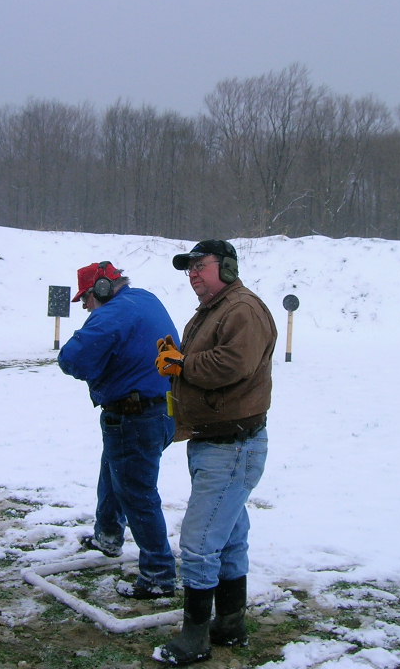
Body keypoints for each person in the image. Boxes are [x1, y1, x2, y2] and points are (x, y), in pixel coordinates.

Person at [153, 240, 276, 665]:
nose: (192, 274)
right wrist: (179, 357)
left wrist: (184, 364)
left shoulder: (242, 308)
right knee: (230, 535)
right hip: (218, 441)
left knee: (201, 542)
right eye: (188, 269)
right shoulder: (215, 309)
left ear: (225, 267)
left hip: (233, 444)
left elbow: (232, 364)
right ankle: (229, 622)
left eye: (199, 267)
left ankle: (195, 637)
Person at [58, 261, 180, 599]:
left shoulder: (113, 313)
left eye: (86, 299)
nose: (86, 306)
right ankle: (108, 534)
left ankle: (158, 573)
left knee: (137, 493)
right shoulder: (146, 299)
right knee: (116, 469)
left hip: (136, 414)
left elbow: (72, 359)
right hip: (164, 409)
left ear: (101, 290)